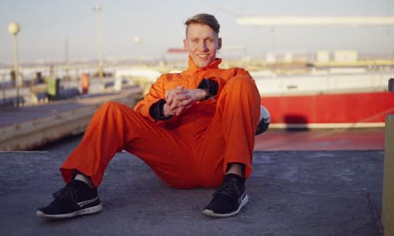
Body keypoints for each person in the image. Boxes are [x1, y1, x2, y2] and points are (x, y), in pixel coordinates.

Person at [37, 13, 262, 219]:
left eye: (209, 40)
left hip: (218, 159)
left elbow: (244, 93)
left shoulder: (234, 74)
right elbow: (140, 113)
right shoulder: (166, 81)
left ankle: (235, 182)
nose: (202, 47)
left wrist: (203, 92)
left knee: (242, 85)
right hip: (175, 159)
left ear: (219, 43)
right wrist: (164, 109)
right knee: (111, 111)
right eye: (195, 41)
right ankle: (83, 188)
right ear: (186, 45)